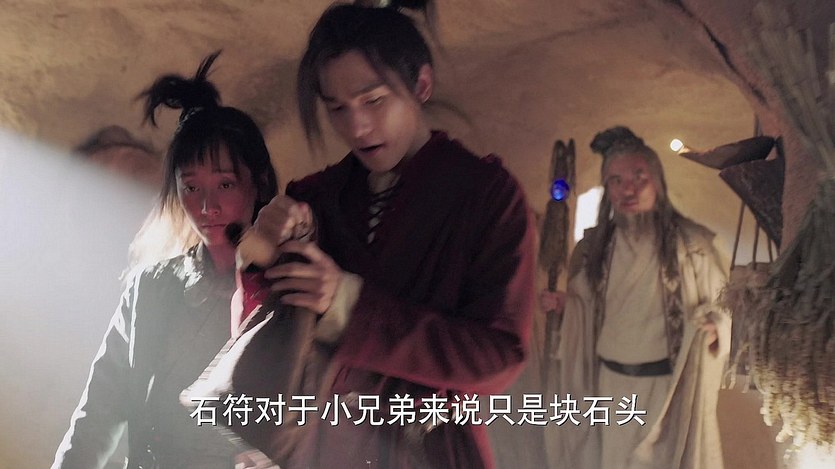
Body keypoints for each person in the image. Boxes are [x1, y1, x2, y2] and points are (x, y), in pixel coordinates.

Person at [228, 4, 536, 468]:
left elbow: (498, 357)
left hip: (429, 449)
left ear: (421, 85)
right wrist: (258, 257)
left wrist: (347, 305)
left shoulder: (486, 195)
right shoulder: (314, 198)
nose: (357, 127)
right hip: (321, 448)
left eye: (373, 101)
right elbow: (268, 337)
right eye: (337, 108)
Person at [52, 51, 279, 469]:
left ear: (259, 181)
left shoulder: (285, 285)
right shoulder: (150, 286)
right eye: (191, 187)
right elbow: (96, 416)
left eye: (225, 184)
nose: (207, 206)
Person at [545, 126, 730, 469]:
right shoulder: (594, 251)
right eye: (615, 180)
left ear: (656, 180)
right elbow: (584, 309)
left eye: (637, 176)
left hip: (667, 390)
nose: (627, 189)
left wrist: (714, 327)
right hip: (610, 386)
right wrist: (565, 306)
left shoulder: (694, 246)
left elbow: (723, 305)